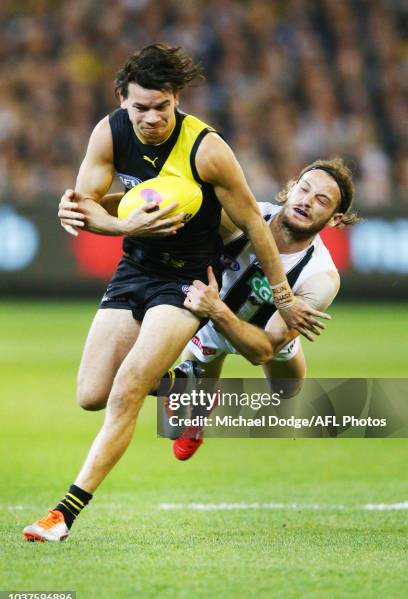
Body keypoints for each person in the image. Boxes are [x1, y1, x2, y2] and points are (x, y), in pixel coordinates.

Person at [23, 43, 328, 542]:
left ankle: (63, 514)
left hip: (185, 283)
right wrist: (127, 226)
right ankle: (182, 387)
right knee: (91, 395)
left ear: (177, 99)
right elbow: (85, 207)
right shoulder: (110, 131)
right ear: (123, 99)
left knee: (124, 392)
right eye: (140, 107)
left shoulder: (206, 148)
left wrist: (283, 295)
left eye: (161, 107)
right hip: (134, 271)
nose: (150, 119)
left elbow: (254, 221)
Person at [160, 159, 358, 460]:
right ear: (291, 188)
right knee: (188, 396)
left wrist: (216, 310)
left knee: (285, 393)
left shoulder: (320, 277)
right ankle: (198, 414)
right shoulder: (241, 215)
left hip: (265, 332)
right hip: (211, 318)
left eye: (322, 200)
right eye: (304, 189)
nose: (307, 201)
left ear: (335, 219)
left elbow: (262, 351)